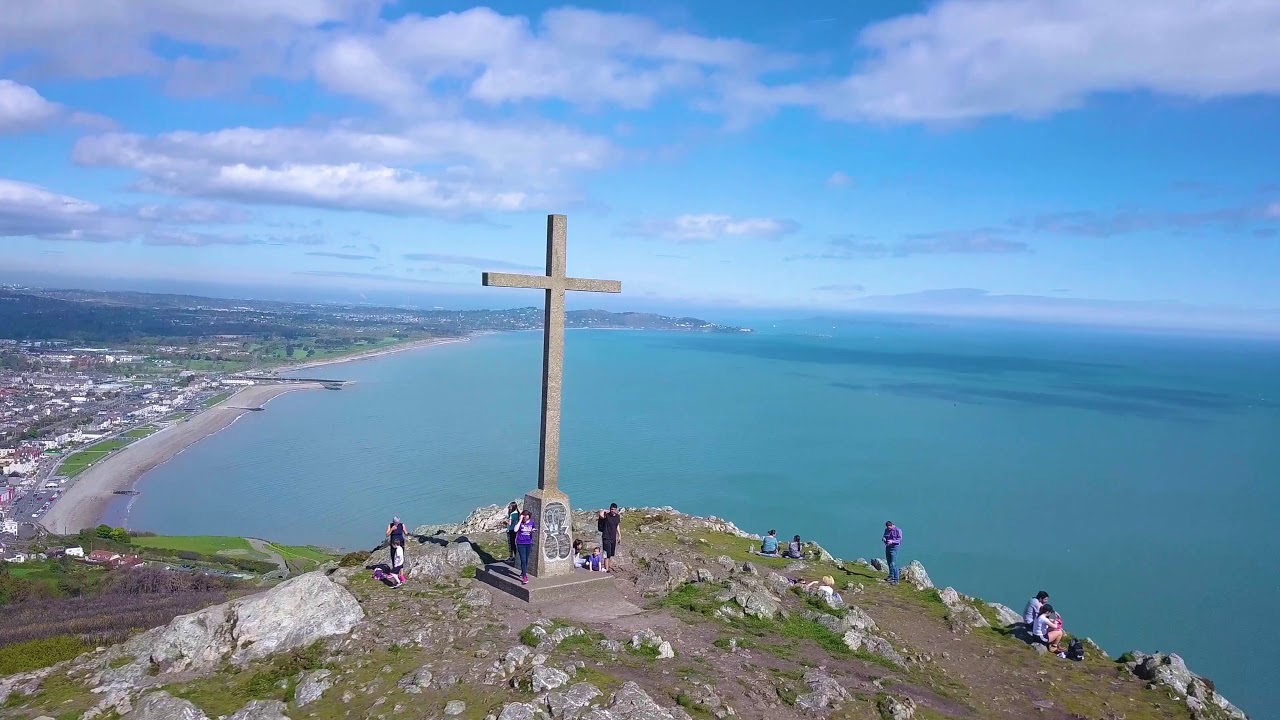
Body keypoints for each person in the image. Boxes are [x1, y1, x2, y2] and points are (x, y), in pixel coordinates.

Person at [515, 509, 537, 584]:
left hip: (528, 543)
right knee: (523, 560)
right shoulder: (520, 523)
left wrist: (533, 530)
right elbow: (515, 530)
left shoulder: (531, 522)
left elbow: (533, 527)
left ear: (529, 516)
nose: (524, 517)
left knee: (526, 560)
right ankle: (524, 576)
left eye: (526, 515)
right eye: (523, 515)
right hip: (520, 543)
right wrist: (520, 520)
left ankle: (522, 572)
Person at [599, 503, 621, 572]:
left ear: (616, 510)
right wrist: (604, 510)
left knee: (610, 554)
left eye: (614, 509)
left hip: (613, 537)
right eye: (611, 509)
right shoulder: (606, 515)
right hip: (606, 537)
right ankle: (606, 569)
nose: (612, 511)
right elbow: (600, 515)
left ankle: (607, 567)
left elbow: (617, 525)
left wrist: (619, 535)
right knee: (606, 554)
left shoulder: (617, 516)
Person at [883, 521, 902, 585]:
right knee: (889, 562)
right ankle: (891, 576)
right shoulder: (886, 530)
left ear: (892, 525)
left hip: (894, 548)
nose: (889, 529)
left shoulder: (898, 530)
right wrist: (884, 539)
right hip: (888, 547)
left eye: (889, 528)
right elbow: (885, 536)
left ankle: (896, 580)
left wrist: (892, 541)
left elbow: (899, 540)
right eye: (888, 528)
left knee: (893, 564)